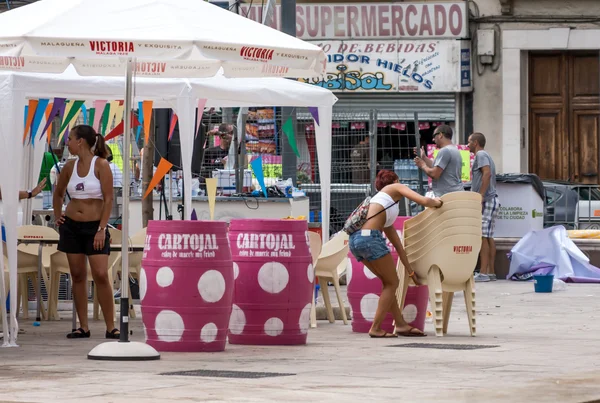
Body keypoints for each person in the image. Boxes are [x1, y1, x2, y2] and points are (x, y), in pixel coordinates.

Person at [348, 170, 443, 338]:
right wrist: (438, 202)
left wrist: (410, 271)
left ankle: (400, 325)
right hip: (370, 239)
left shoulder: (383, 207)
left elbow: (398, 246)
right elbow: (423, 201)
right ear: (395, 181)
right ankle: (376, 328)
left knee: (388, 284)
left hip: (356, 240)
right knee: (392, 283)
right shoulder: (396, 187)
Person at [52, 125, 119, 339]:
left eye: (70, 139)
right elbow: (58, 193)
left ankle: (111, 326)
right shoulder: (69, 167)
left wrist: (101, 228)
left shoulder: (101, 165)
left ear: (80, 141)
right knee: (78, 275)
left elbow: (109, 199)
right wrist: (58, 215)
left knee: (100, 274)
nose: (67, 143)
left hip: (94, 227)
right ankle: (83, 326)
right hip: (71, 226)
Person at [468, 132, 500, 282]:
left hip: (486, 200)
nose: (467, 145)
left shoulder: (480, 155)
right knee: (488, 236)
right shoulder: (486, 155)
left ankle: (483, 273)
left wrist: (479, 195)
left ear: (475, 142)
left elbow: (486, 174)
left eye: (469, 142)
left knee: (482, 236)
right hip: (491, 200)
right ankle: (491, 272)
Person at [414, 124, 464, 197]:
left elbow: (434, 174)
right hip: (454, 193)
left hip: (448, 196)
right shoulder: (453, 149)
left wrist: (422, 165)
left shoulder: (445, 151)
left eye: (434, 136)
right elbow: (436, 167)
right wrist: (424, 157)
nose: (433, 139)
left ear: (440, 135)